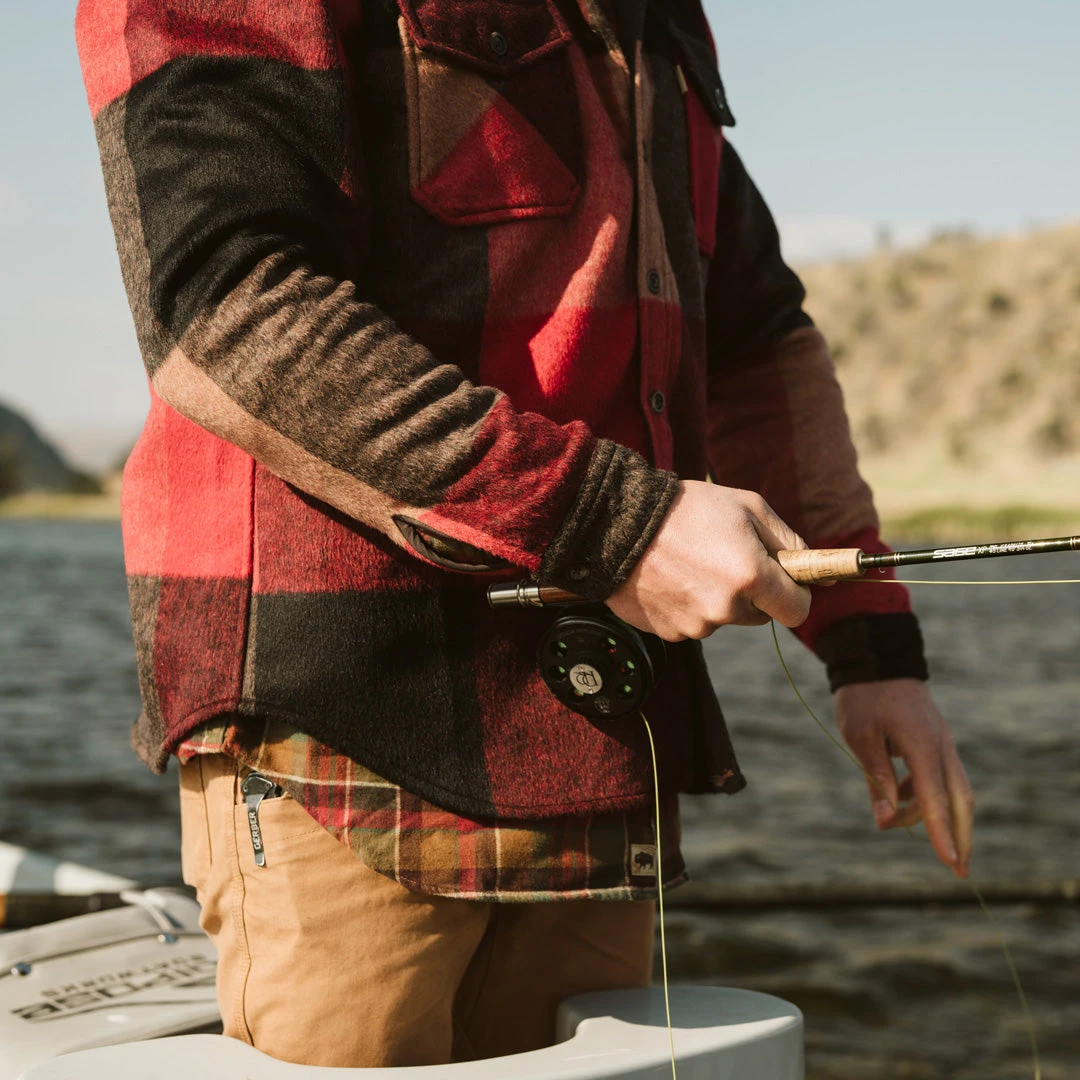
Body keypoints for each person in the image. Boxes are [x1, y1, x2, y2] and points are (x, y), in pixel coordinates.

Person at [76, 0, 973, 1067]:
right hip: (338, 728)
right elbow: (227, 306)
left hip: (599, 728)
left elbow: (756, 338)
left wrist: (872, 647)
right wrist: (617, 528)